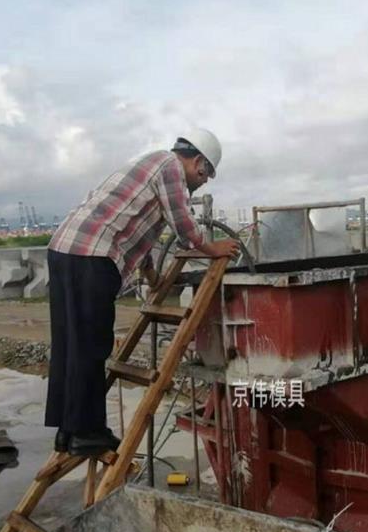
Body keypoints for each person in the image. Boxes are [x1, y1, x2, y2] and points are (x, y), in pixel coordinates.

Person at [45, 128, 239, 456]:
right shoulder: (170, 167)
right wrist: (210, 248)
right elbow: (182, 222)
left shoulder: (151, 167)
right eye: (207, 175)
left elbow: (139, 232)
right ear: (199, 163)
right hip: (92, 255)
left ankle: (68, 430)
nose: (204, 182)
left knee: (69, 344)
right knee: (91, 345)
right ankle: (88, 433)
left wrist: (151, 275)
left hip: (66, 250)